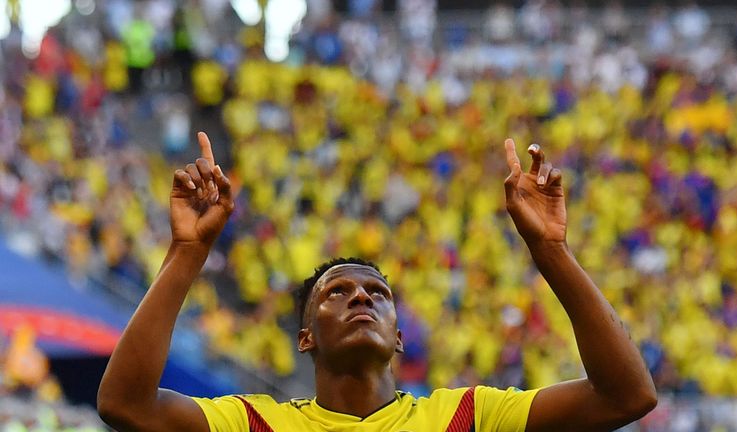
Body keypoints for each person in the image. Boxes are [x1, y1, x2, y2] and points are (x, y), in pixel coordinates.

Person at [97, 132, 657, 431]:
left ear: (398, 337)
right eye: (334, 293)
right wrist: (187, 251)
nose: (361, 295)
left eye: (377, 294)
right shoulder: (255, 423)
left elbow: (627, 396)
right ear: (306, 337)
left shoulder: (467, 418)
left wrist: (551, 250)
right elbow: (127, 406)